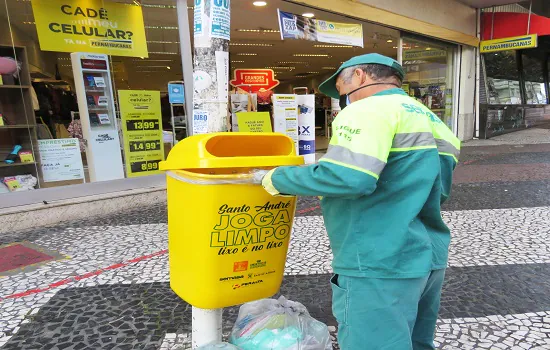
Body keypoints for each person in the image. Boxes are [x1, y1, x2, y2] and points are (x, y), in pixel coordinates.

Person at [252, 53, 460, 349]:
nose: (342, 98)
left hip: (378, 260)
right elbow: (440, 191)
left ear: (360, 76)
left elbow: (350, 177)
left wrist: (274, 179)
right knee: (416, 343)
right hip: (428, 257)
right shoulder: (430, 118)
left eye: (340, 88)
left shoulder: (368, 109)